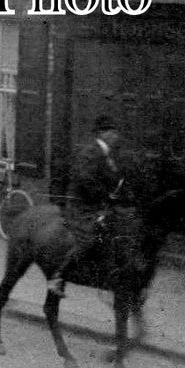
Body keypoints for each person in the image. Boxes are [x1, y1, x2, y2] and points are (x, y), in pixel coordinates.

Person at [48, 116, 126, 297]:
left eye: (116, 132)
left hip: (99, 204)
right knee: (90, 237)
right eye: (112, 132)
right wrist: (106, 195)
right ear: (102, 134)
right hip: (81, 206)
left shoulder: (109, 154)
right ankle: (58, 276)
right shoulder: (89, 153)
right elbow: (85, 180)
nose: (116, 136)